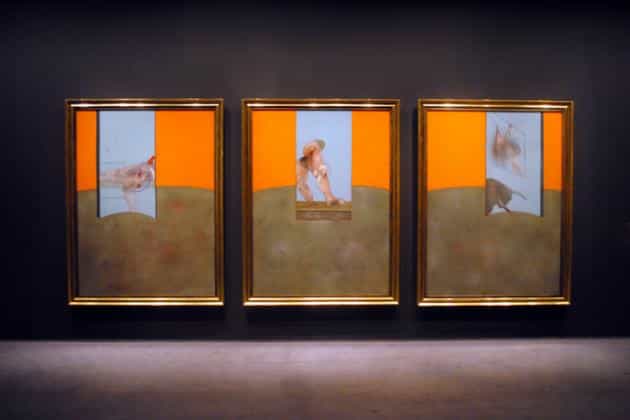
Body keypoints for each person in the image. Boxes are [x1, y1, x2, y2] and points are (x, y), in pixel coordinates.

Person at [296, 139, 344, 205]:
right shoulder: (312, 152)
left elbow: (319, 168)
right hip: (302, 161)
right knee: (301, 184)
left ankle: (328, 198)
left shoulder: (315, 152)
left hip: (308, 158)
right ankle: (314, 201)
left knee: (320, 171)